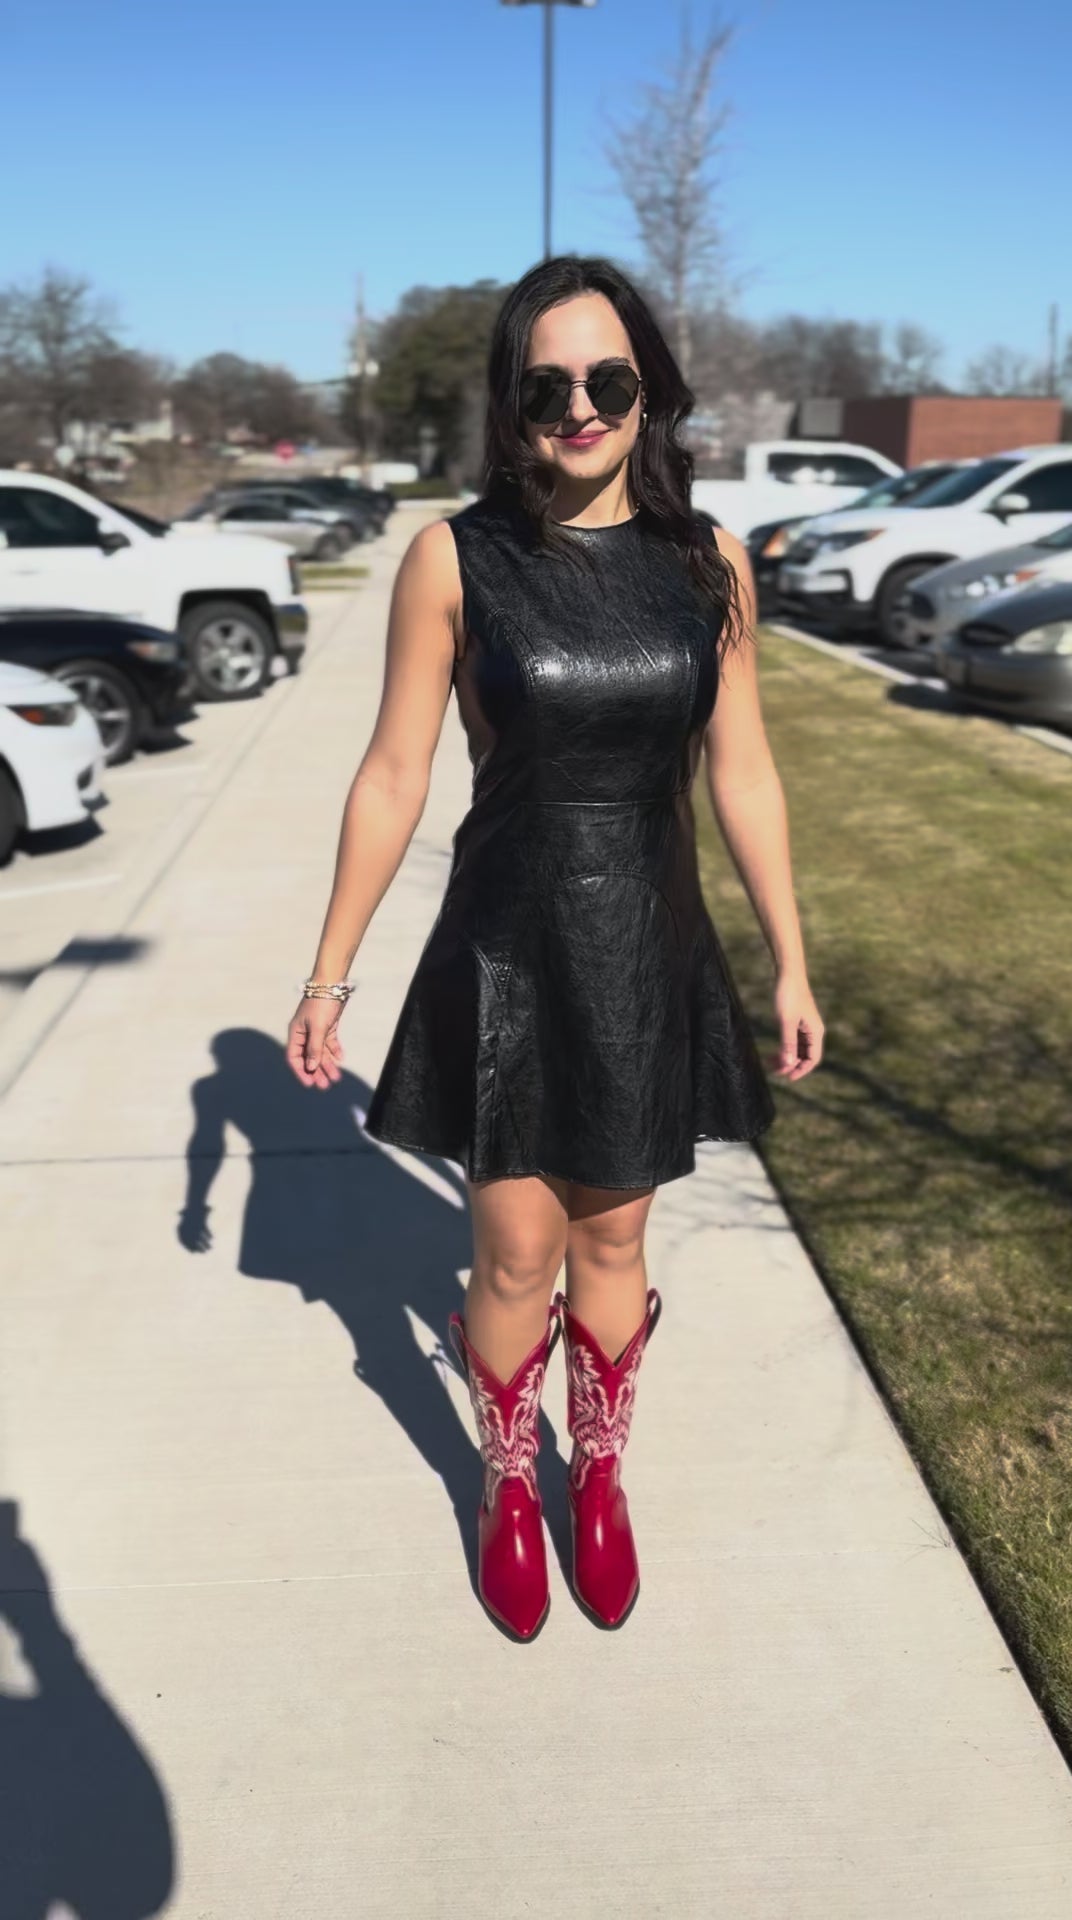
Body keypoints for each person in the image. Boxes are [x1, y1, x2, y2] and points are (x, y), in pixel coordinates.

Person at [285, 255, 824, 1642]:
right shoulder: (454, 559)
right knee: (517, 1251)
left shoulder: (710, 564)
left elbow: (744, 770)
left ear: (650, 391)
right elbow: (394, 773)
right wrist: (330, 973)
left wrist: (789, 958)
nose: (579, 408)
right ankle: (509, 1483)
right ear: (510, 406)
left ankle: (603, 1476)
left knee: (617, 1233)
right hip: (510, 945)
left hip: (645, 940)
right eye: (546, 387)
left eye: (608, 379)